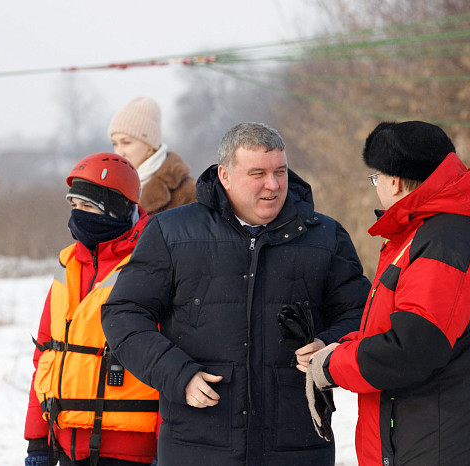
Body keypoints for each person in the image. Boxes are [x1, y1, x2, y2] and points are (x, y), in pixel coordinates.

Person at [100, 122, 371, 465]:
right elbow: (123, 313)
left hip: (297, 446)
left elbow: (361, 314)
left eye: (280, 171)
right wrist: (177, 375)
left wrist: (329, 346)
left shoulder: (325, 236)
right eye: (257, 173)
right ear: (225, 176)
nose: (272, 185)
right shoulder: (171, 233)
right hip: (197, 445)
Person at [306, 121, 470, 465]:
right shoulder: (440, 230)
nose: (377, 187)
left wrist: (333, 366)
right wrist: (342, 348)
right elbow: (409, 325)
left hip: (442, 442)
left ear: (394, 181)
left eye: (375, 178)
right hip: (444, 433)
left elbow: (414, 348)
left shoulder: (442, 241)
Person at [24, 153, 158, 466]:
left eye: (88, 207)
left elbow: (167, 366)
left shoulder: (153, 263)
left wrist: (169, 451)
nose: (78, 216)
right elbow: (46, 356)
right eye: (74, 206)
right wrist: (37, 443)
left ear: (118, 208)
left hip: (131, 453)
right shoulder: (67, 264)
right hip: (65, 448)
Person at [109, 96, 195, 215]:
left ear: (149, 144)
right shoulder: (110, 189)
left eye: (126, 142)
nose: (119, 152)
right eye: (115, 143)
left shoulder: (189, 193)